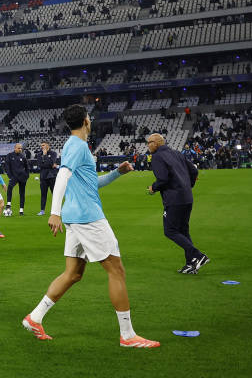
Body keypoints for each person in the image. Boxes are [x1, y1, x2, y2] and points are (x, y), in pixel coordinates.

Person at [22, 104, 159, 348]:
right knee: (116, 270)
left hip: (75, 217)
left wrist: (117, 172)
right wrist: (54, 213)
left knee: (73, 273)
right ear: (86, 121)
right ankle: (128, 336)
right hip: (87, 217)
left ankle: (35, 317)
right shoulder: (77, 146)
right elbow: (63, 175)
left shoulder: (73, 146)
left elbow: (90, 183)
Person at [145, 133, 209, 274]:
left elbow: (163, 178)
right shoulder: (177, 153)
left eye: (150, 142)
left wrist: (153, 188)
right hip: (187, 197)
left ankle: (198, 255)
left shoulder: (157, 157)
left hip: (174, 199)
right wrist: (188, 186)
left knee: (170, 231)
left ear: (157, 143)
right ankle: (191, 264)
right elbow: (194, 170)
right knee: (183, 231)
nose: (148, 145)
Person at [4, 143, 29, 216]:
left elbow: (27, 167)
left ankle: (21, 210)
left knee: (22, 193)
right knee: (10, 188)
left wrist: (27, 175)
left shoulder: (23, 156)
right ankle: (8, 204)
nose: (20, 149)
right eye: (18, 148)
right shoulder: (9, 155)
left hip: (22, 177)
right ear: (15, 148)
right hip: (14, 176)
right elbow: (7, 166)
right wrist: (10, 176)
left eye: (21, 148)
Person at [37, 141, 60, 216]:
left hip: (52, 176)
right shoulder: (39, 154)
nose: (42, 146)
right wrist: (45, 157)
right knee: (43, 194)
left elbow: (50, 163)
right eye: (41, 145)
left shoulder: (53, 153)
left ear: (48, 145)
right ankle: (42, 210)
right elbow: (40, 165)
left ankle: (56, 210)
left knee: (54, 194)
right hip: (43, 176)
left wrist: (45, 156)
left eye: (43, 145)